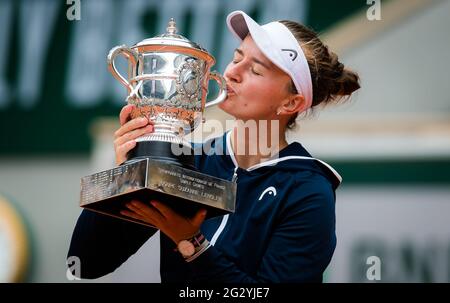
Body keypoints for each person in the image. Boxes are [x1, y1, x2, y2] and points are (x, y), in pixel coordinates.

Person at [67, 10, 360, 283]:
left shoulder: (307, 190)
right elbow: (85, 264)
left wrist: (192, 243)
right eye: (237, 57)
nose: (233, 72)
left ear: (290, 102)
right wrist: (126, 175)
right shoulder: (187, 159)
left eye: (255, 70)